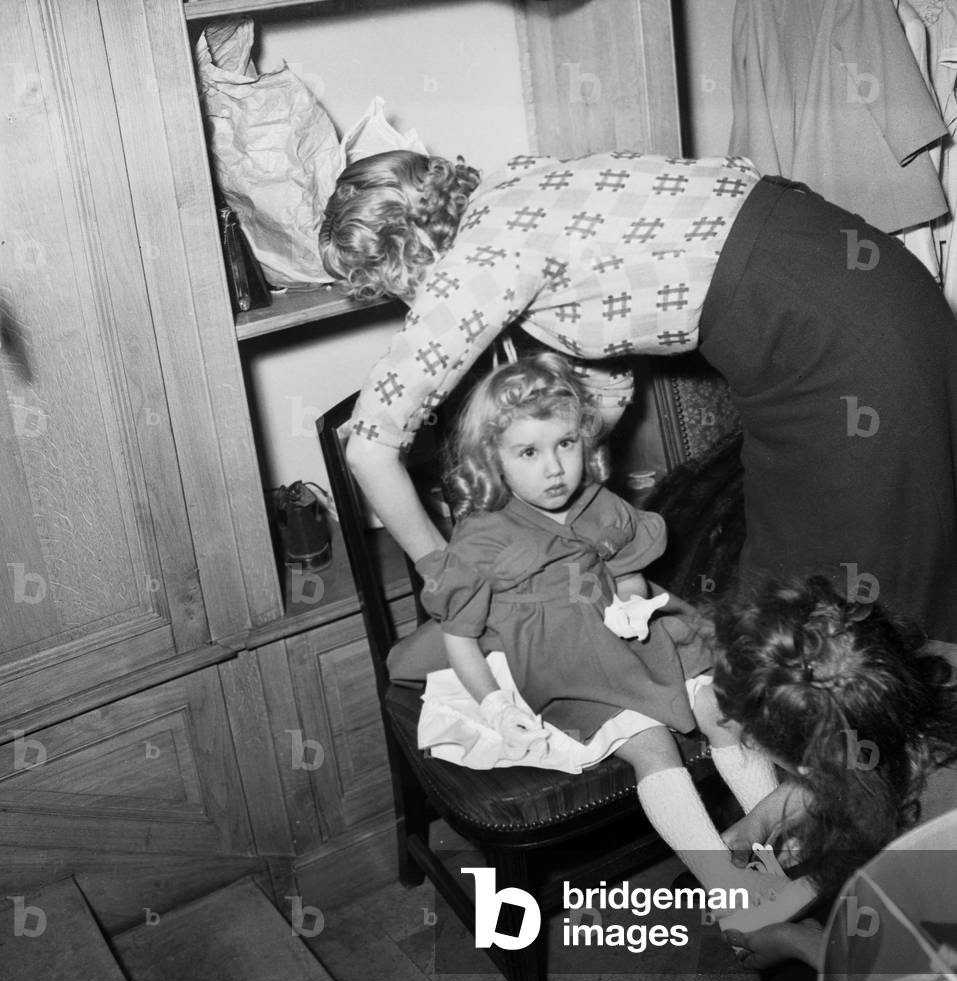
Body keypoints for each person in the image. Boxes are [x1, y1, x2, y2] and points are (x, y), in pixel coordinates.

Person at [318, 149, 957, 643]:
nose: (408, 307)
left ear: (405, 253)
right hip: (851, 276)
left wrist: (441, 571)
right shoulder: (514, 187)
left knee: (851, 598)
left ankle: (894, 792)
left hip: (831, 336)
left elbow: (369, 446)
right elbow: (609, 381)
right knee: (803, 581)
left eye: (390, 288)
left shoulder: (474, 263)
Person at [413, 351, 800, 910]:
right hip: (567, 664)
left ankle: (778, 850)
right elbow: (460, 637)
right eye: (529, 452)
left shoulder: (598, 504)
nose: (554, 469)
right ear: (493, 460)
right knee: (652, 744)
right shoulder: (480, 538)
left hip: (635, 640)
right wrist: (495, 705)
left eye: (565, 445)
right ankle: (728, 886)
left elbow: (627, 574)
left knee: (723, 710)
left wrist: (632, 604)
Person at [709, 576, 957, 981]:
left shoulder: (923, 855)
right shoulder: (911, 677)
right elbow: (872, 756)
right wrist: (763, 818)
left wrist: (798, 942)